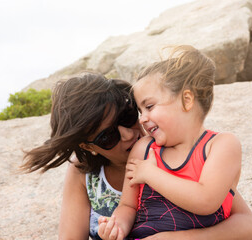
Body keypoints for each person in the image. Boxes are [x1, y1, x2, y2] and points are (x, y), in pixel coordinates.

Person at [21, 71, 252, 240]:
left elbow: (248, 227)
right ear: (87, 147)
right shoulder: (85, 175)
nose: (127, 134)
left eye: (126, 117)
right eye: (107, 137)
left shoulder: (177, 153)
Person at [98, 45, 243, 240]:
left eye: (149, 106)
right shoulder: (143, 149)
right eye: (141, 112)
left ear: (187, 99)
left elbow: (206, 200)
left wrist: (151, 174)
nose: (142, 119)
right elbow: (128, 206)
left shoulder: (221, 145)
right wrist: (117, 226)